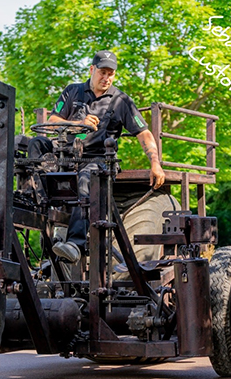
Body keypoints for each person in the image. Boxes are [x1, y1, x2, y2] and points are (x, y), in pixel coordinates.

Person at [28, 50, 165, 263]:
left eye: (111, 74)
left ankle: (75, 244)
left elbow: (143, 133)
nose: (106, 78)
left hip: (98, 161)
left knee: (86, 178)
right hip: (65, 157)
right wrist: (77, 125)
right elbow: (53, 119)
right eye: (102, 72)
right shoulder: (72, 91)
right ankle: (41, 205)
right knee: (36, 144)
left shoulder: (122, 101)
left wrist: (155, 163)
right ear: (92, 70)